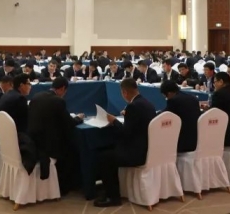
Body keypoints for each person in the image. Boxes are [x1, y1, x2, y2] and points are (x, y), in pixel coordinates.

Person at [94, 79, 156, 207]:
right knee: (109, 152)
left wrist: (114, 121)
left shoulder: (133, 106)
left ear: (124, 92)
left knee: (104, 158)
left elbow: (125, 133)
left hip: (136, 153)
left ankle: (113, 197)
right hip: (148, 148)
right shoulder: (147, 103)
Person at [28, 77, 85, 194]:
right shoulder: (58, 101)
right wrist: (79, 118)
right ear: (63, 88)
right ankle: (66, 186)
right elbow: (69, 123)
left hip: (32, 141)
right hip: (48, 146)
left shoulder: (36, 96)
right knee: (74, 148)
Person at [160, 81, 200, 153]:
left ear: (169, 93)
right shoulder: (193, 98)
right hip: (196, 138)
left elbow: (165, 115)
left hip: (183, 141)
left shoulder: (173, 101)